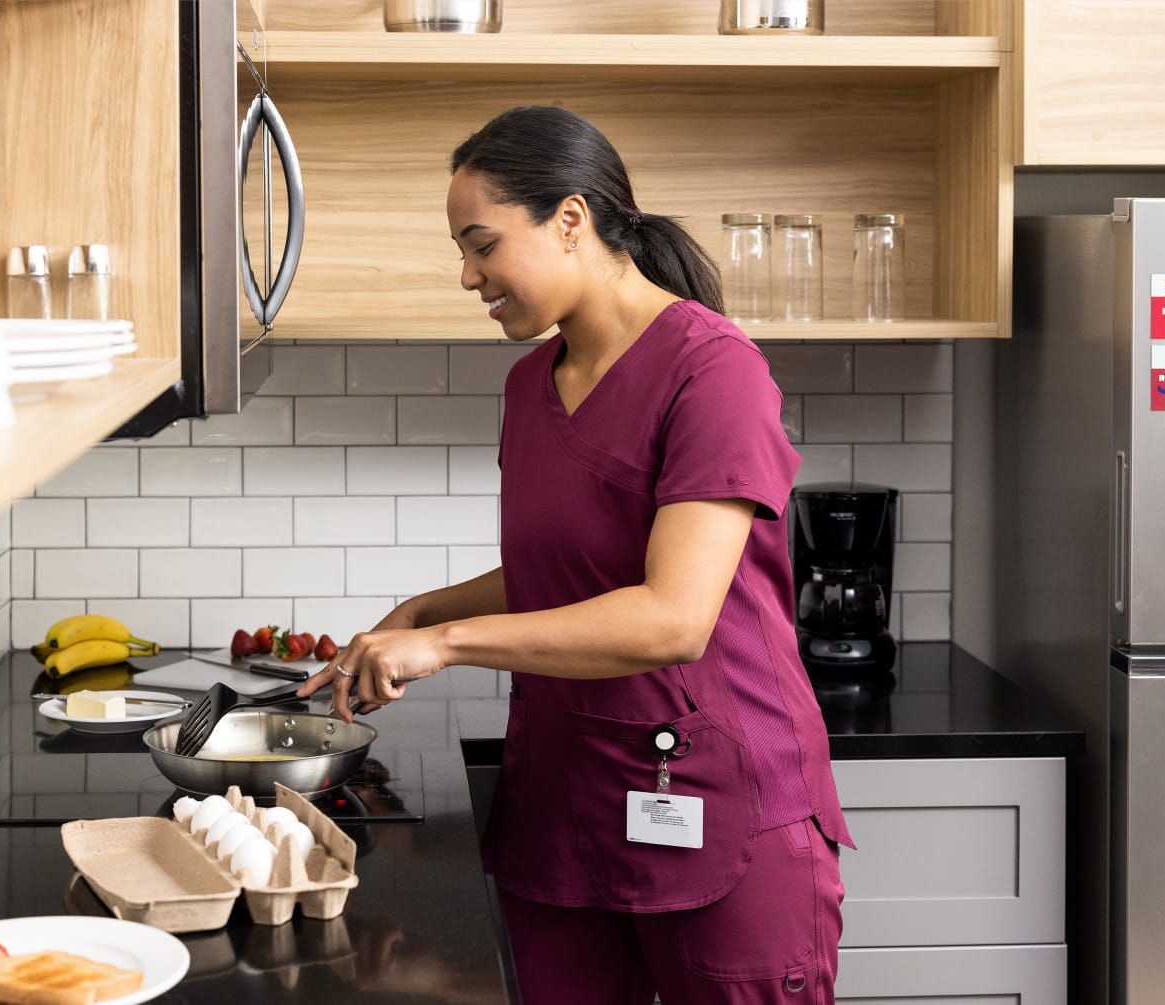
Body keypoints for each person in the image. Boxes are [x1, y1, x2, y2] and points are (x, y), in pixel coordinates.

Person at [299, 105, 854, 1005]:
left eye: (481, 244)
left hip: (716, 806)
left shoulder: (715, 371)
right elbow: (578, 563)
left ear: (569, 218)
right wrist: (427, 609)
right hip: (564, 808)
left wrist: (446, 645)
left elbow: (672, 616)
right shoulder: (530, 382)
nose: (468, 274)